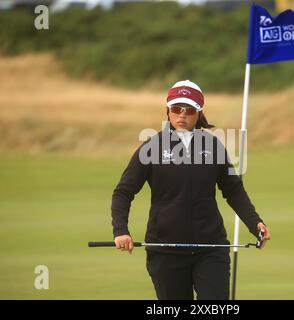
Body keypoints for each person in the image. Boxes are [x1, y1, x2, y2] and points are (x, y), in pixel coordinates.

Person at [111, 80, 270, 300]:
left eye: (189, 110)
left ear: (199, 113)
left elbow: (233, 190)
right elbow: (123, 192)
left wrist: (255, 223)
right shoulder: (151, 147)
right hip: (165, 252)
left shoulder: (214, 146)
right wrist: (120, 230)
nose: (182, 116)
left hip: (210, 248)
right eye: (176, 109)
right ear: (167, 111)